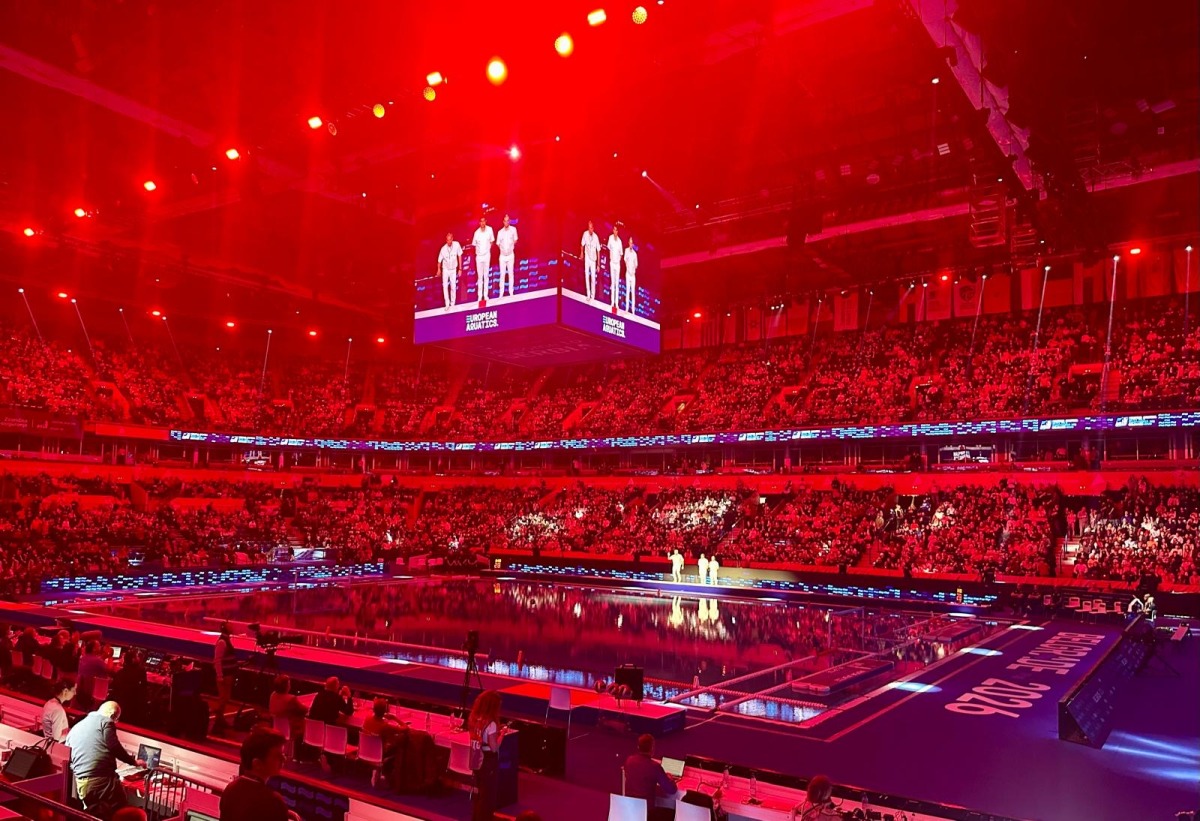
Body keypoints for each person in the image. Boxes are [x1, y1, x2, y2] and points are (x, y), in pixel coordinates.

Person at [65, 701, 142, 820]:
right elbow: (113, 746)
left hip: (82, 784)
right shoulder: (106, 721)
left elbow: (67, 754)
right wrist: (134, 762)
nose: (115, 722)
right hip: (102, 781)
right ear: (112, 715)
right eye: (116, 719)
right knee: (122, 811)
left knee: (97, 815)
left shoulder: (76, 728)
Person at [220, 728, 291, 821]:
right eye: (278, 756)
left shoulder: (230, 789)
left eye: (283, 754)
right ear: (257, 764)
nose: (284, 759)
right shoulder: (273, 802)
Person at [468, 689, 504, 821]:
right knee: (488, 796)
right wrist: (502, 734)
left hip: (476, 757)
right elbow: (494, 747)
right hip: (488, 760)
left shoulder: (473, 718)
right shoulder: (491, 723)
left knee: (480, 793)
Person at [622, 734, 677, 820]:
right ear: (652, 749)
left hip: (630, 807)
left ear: (638, 747)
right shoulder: (655, 767)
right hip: (647, 811)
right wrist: (671, 779)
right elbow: (671, 790)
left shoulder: (629, 760)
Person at [213, 622, 238, 733]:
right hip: (225, 675)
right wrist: (220, 676)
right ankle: (218, 720)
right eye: (230, 626)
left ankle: (220, 718)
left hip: (228, 674)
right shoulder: (222, 642)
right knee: (223, 698)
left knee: (225, 698)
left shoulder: (226, 640)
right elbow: (217, 659)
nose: (232, 627)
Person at [76, 639, 109, 709]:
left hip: (79, 691)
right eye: (99, 646)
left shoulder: (82, 658)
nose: (100, 647)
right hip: (92, 693)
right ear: (94, 649)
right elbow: (106, 674)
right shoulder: (98, 661)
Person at [471, 217, 495, 302]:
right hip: (479, 256)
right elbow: (474, 245)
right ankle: (480, 296)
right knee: (480, 277)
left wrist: (488, 249)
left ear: (486, 221)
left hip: (487, 255)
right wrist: (478, 253)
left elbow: (492, 241)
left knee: (486, 275)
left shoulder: (490, 230)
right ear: (479, 223)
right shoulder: (476, 233)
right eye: (481, 221)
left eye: (484, 221)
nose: (482, 223)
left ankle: (486, 295)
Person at [438, 232, 463, 309]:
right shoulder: (443, 249)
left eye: (450, 240)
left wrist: (460, 269)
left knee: (453, 286)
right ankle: (447, 303)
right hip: (445, 269)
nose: (449, 241)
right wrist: (439, 269)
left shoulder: (457, 245)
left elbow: (459, 256)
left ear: (452, 239)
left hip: (453, 269)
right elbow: (439, 261)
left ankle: (452, 303)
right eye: (447, 240)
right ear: (446, 240)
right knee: (445, 286)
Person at [496, 214, 518, 298]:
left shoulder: (513, 229)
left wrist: (511, 247)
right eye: (505, 221)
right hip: (502, 256)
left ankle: (511, 292)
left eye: (508, 221)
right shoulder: (500, 232)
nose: (506, 222)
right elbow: (497, 243)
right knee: (502, 275)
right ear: (503, 222)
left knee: (511, 274)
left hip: (510, 255)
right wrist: (503, 249)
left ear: (509, 221)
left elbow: (516, 239)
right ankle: (501, 293)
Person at [580, 220, 601, 301]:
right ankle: (588, 294)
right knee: (586, 275)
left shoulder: (596, 237)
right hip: (587, 257)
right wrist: (582, 253)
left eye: (591, 228)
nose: (590, 230)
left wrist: (598, 264)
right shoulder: (585, 234)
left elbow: (598, 251)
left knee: (593, 278)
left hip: (593, 259)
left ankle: (593, 296)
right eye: (589, 228)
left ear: (593, 228)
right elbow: (582, 244)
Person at [607, 225, 623, 310]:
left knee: (617, 284)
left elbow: (621, 253)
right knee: (612, 283)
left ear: (618, 231)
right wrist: (611, 258)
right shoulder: (610, 238)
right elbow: (609, 248)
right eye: (614, 230)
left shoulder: (620, 241)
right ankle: (612, 302)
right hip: (612, 263)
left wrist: (618, 260)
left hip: (617, 264)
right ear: (613, 230)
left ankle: (616, 303)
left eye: (616, 230)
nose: (615, 231)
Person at [623, 239, 638, 314]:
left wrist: (633, 269)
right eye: (630, 242)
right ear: (628, 243)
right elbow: (625, 260)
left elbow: (636, 264)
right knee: (627, 291)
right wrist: (628, 267)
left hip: (633, 275)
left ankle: (633, 311)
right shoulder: (626, 250)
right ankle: (626, 308)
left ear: (633, 244)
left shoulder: (635, 254)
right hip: (628, 274)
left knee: (633, 293)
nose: (631, 244)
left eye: (632, 243)